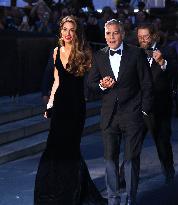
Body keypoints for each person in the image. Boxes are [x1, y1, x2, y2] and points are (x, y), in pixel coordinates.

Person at [34, 15, 107, 205]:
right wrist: (49, 104)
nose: (67, 33)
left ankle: (72, 192)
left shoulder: (84, 52)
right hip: (59, 106)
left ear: (76, 32)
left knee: (71, 150)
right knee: (53, 149)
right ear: (60, 31)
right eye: (64, 29)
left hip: (76, 108)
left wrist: (102, 85)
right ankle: (51, 190)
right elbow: (57, 81)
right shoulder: (56, 51)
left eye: (71, 29)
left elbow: (91, 82)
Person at [88, 19, 153, 205]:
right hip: (109, 116)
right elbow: (90, 83)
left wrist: (145, 111)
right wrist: (101, 85)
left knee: (131, 159)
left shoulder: (136, 54)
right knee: (110, 159)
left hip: (133, 114)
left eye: (115, 33)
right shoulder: (99, 56)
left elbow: (147, 84)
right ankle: (113, 200)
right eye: (108, 33)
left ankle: (130, 199)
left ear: (122, 35)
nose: (111, 37)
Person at [136, 23, 178, 184]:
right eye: (139, 37)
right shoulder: (135, 52)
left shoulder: (167, 51)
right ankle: (124, 177)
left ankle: (169, 173)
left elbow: (175, 72)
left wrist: (162, 63)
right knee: (134, 144)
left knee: (162, 143)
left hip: (160, 107)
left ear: (154, 36)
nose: (142, 40)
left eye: (145, 37)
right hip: (139, 107)